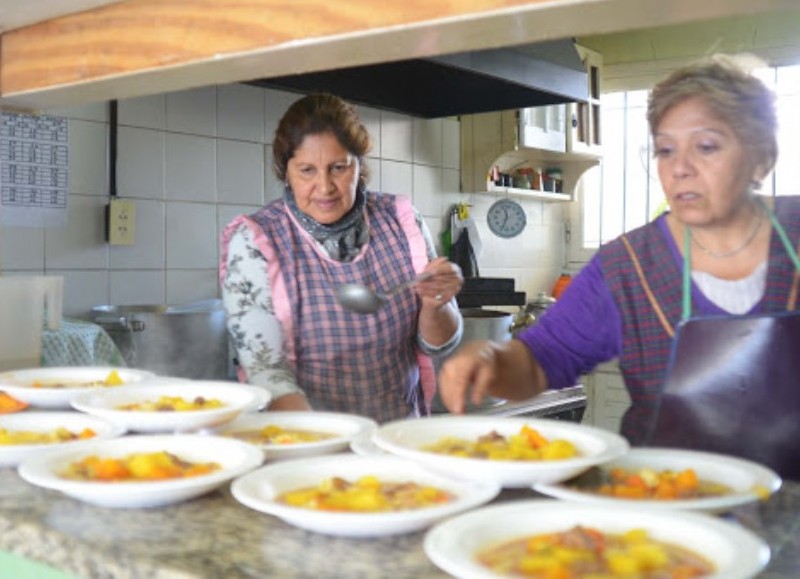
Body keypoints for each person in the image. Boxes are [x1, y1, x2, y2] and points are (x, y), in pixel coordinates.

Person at [438, 54, 800, 478]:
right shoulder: (628, 267)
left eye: (706, 146)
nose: (680, 168)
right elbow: (540, 359)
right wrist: (492, 360)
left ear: (761, 157)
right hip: (672, 510)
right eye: (665, 150)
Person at [220, 92, 463, 423]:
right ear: (285, 171)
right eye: (307, 170)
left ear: (359, 164)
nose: (324, 187)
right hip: (308, 446)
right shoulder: (256, 241)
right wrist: (325, 442)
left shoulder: (400, 221)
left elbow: (438, 345)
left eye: (338, 168)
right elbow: (266, 370)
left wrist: (436, 305)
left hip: (397, 439)